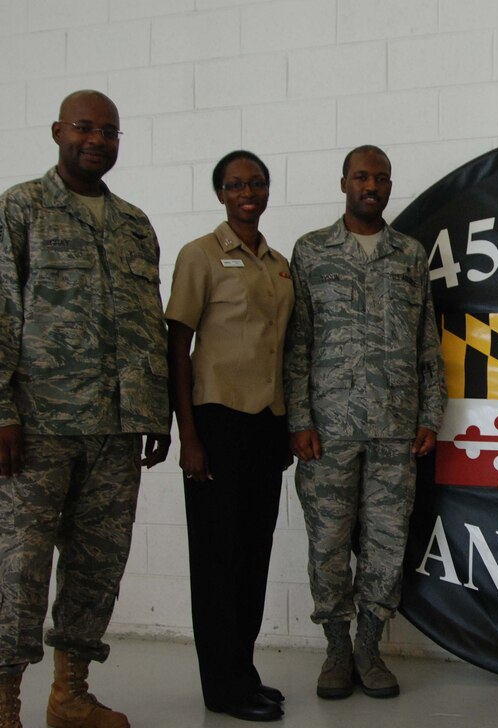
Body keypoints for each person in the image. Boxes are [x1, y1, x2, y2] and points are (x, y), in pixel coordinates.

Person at [0, 90, 170, 728]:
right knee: (19, 567)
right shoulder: (21, 208)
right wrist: (1, 412)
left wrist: (153, 413)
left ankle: (70, 695)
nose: (96, 140)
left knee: (97, 565)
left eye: (109, 131)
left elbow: (146, 324)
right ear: (56, 132)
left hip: (116, 430)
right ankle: (5, 703)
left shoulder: (135, 223)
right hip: (37, 425)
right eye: (84, 128)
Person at [284, 145, 446, 701]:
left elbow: (429, 343)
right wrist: (299, 419)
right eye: (360, 176)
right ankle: (335, 648)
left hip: (396, 429)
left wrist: (430, 415)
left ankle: (369, 647)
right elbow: (296, 343)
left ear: (389, 185)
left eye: (380, 177)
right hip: (327, 432)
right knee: (328, 543)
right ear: (344, 183)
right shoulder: (311, 252)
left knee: (386, 543)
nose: (370, 185)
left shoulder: (409, 254)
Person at [165, 151, 294, 722]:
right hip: (216, 422)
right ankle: (222, 688)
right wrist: (188, 437)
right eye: (237, 184)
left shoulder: (280, 264)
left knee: (254, 555)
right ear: (220, 193)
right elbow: (177, 350)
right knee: (218, 560)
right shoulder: (201, 256)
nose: (249, 192)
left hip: (266, 425)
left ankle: (242, 671)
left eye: (257, 183)